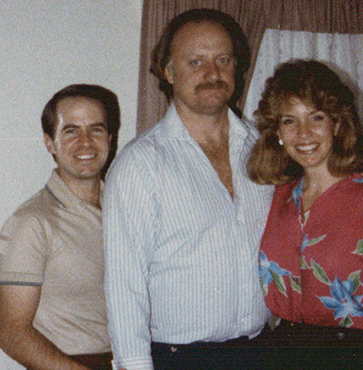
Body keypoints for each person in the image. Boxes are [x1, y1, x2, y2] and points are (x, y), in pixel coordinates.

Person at [102, 8, 273, 370]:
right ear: (167, 71)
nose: (213, 73)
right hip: (178, 359)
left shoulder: (264, 148)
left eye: (223, 59)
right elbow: (124, 288)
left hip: (260, 352)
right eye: (196, 61)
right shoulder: (140, 165)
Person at [247, 60, 363, 369]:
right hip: (279, 352)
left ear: (337, 124)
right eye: (289, 121)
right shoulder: (277, 198)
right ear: (277, 133)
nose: (304, 133)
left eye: (316, 117)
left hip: (350, 357)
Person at [0, 84, 121, 370]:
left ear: (110, 139)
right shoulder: (32, 223)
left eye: (96, 129)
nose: (86, 142)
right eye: (71, 130)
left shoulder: (124, 211)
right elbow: (12, 335)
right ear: (50, 143)